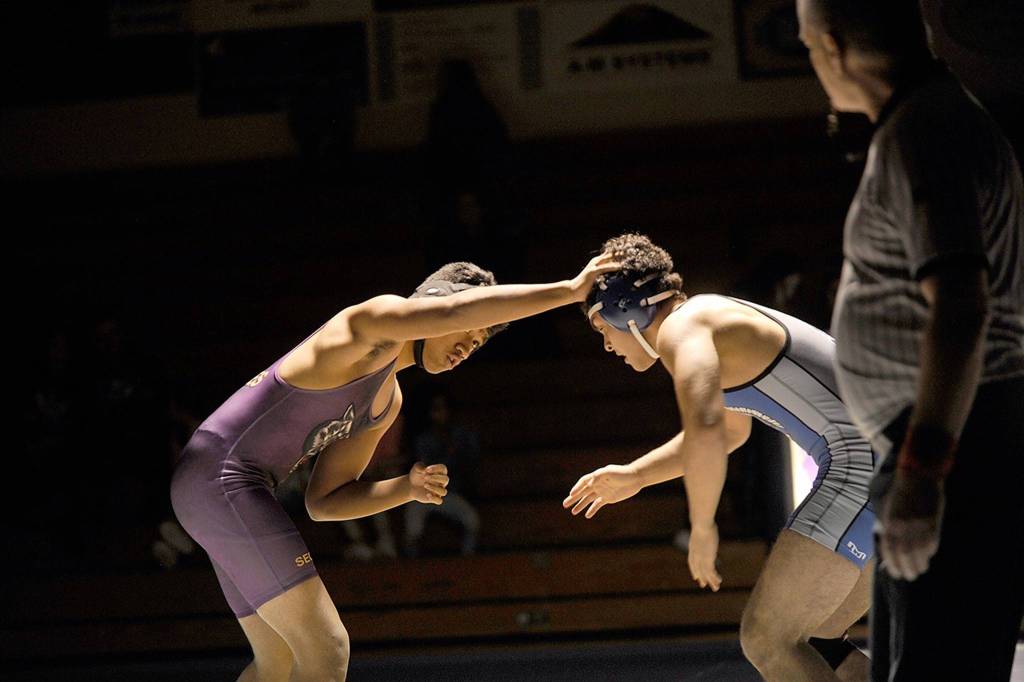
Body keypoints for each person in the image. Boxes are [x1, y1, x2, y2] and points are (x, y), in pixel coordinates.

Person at [171, 256, 616, 682]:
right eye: (466, 329)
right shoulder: (371, 323)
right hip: (221, 478)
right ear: (432, 305)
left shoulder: (386, 403)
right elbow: (453, 307)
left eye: (478, 343)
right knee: (328, 648)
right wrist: (571, 290)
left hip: (222, 490)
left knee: (280, 662)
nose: (466, 347)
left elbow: (323, 502)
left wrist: (406, 487)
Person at [796, 2, 1024, 679]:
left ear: (832, 49)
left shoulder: (925, 132)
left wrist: (927, 470)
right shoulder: (929, 120)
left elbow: (960, 301)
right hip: (948, 441)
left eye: (807, 50)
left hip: (956, 446)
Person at [563, 233, 876, 681]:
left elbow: (707, 430)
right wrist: (635, 476)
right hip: (891, 460)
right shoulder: (710, 321)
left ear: (626, 311)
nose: (607, 346)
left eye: (602, 330)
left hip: (863, 463)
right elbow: (729, 431)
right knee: (816, 640)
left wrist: (704, 524)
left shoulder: (683, 328)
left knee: (768, 638)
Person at [403, 390, 482, 557]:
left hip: (452, 493)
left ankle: (467, 562)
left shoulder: (462, 436)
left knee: (472, 521)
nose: (440, 414)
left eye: (443, 408)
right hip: (425, 493)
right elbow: (424, 468)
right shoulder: (423, 439)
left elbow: (472, 462)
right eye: (436, 409)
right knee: (413, 523)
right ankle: (411, 563)